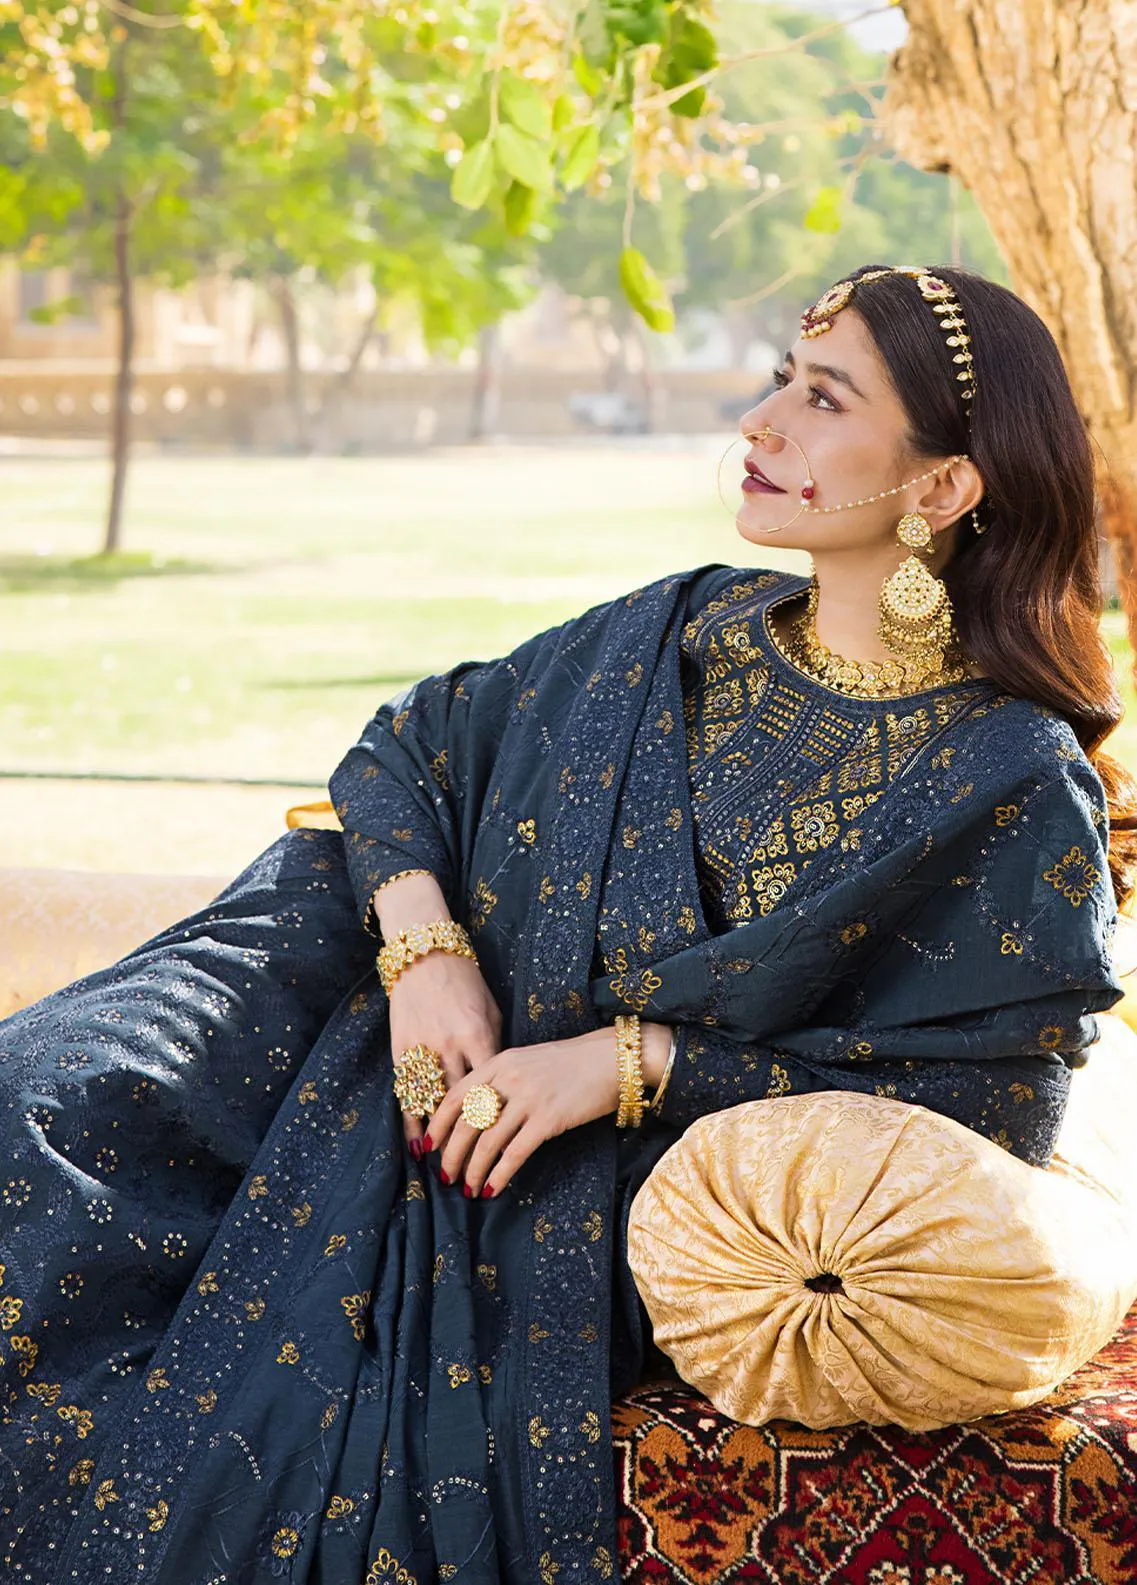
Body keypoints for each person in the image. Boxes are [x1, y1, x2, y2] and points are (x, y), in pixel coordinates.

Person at [2, 264, 1133, 1584]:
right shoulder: (683, 625)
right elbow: (409, 745)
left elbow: (985, 1108)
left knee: (243, 1428)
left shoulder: (1003, 777)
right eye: (781, 378)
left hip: (559, 1166)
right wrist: (426, 959)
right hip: (360, 997)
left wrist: (630, 1064)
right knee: (36, 1102)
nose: (761, 421)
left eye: (823, 400)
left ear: (941, 487)